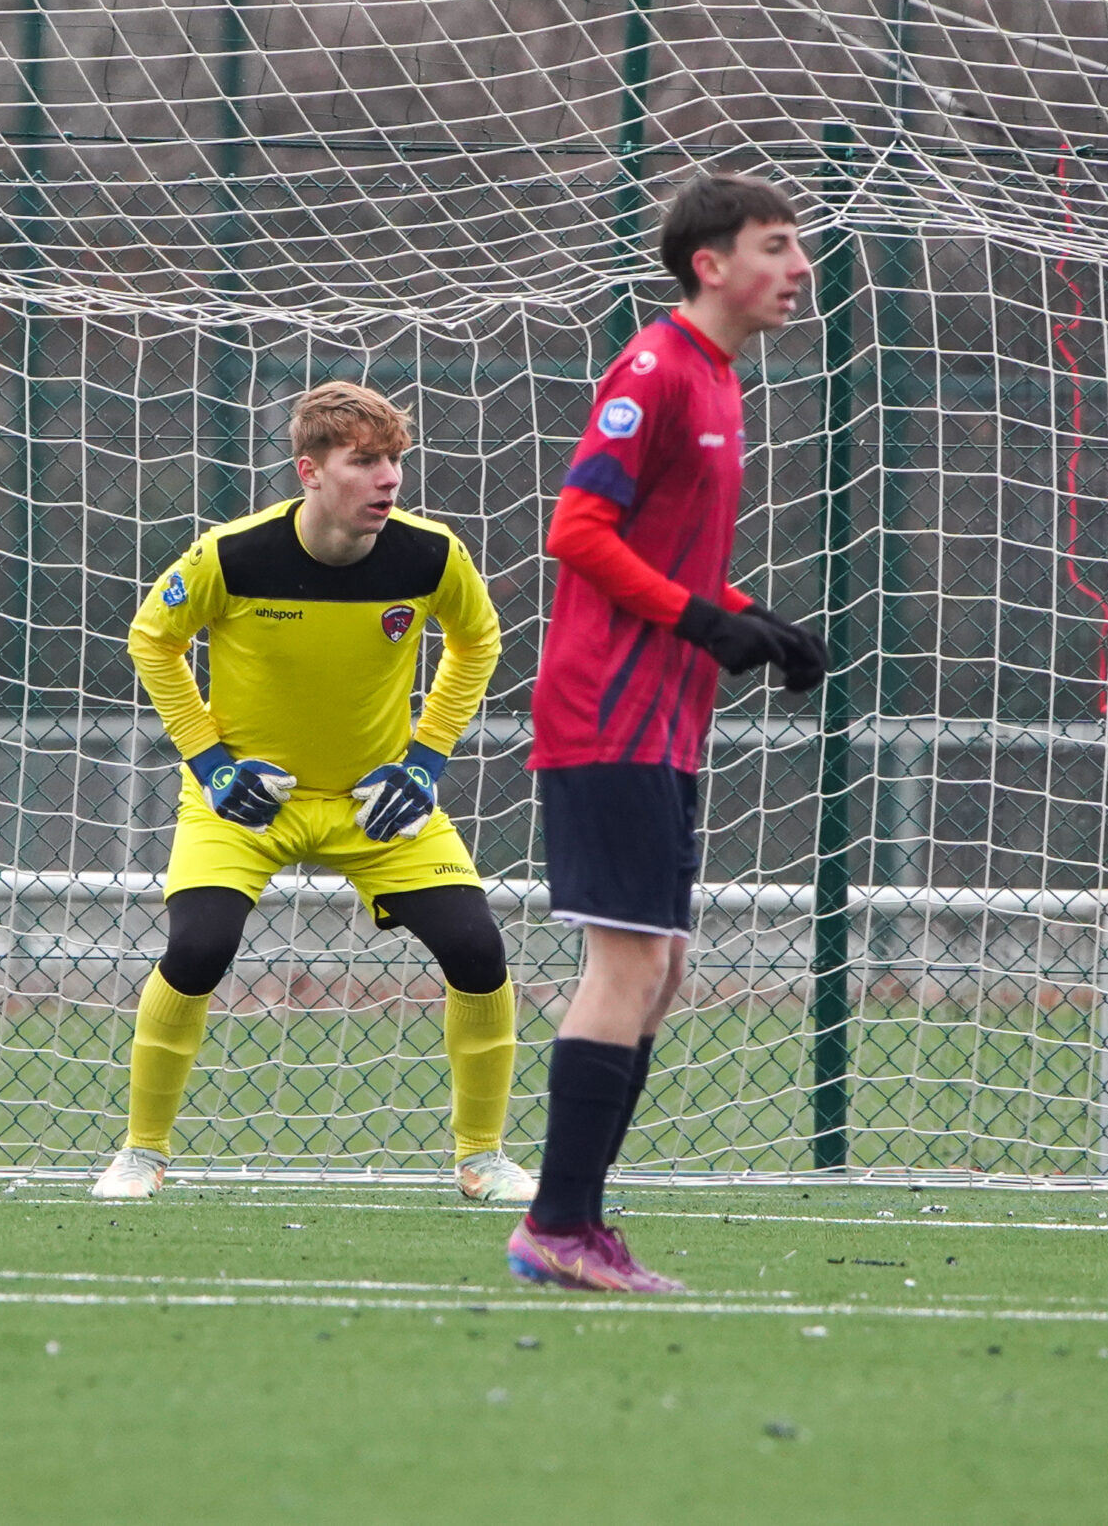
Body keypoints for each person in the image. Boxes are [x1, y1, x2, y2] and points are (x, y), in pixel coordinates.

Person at [506, 171, 828, 1291]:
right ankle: (555, 1225)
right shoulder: (655, 368)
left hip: (664, 718)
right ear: (710, 263)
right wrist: (702, 620)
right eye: (776, 245)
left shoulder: (720, 379)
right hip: (607, 708)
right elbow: (577, 531)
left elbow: (669, 559)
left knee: (663, 966)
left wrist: (755, 621)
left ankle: (578, 1222)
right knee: (632, 960)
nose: (798, 267)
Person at [95, 380, 531, 1203]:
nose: (388, 478)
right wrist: (212, 765)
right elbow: (153, 639)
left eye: (394, 459)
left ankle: (483, 1158)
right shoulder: (232, 554)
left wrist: (425, 760)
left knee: (477, 948)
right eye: (364, 461)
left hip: (376, 804)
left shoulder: (431, 554)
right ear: (310, 470)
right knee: (199, 949)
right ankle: (141, 1153)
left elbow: (478, 640)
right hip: (245, 803)